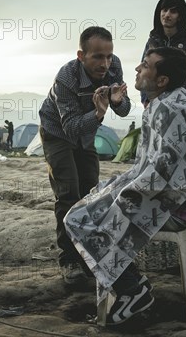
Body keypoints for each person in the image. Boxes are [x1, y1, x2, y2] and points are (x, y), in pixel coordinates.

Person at [65, 47, 186, 325]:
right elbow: (163, 165)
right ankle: (131, 283)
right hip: (168, 196)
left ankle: (132, 290)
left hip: (170, 204)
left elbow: (165, 173)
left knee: (77, 218)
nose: (137, 70)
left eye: (145, 65)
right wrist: (124, 184)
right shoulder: (174, 101)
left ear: (162, 80)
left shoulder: (168, 109)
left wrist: (125, 190)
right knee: (91, 205)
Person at [39, 26, 131, 286]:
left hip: (87, 135)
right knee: (68, 193)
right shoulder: (66, 78)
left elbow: (124, 109)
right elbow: (70, 127)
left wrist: (115, 101)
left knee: (91, 194)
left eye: (109, 56)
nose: (105, 64)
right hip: (57, 133)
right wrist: (99, 114)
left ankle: (88, 255)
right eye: (98, 57)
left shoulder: (114, 67)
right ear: (81, 56)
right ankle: (69, 260)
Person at [140, 0, 186, 107]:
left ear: (180, 16)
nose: (167, 15)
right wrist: (145, 100)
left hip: (183, 103)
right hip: (155, 102)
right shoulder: (152, 42)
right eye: (164, 10)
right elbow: (143, 71)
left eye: (173, 11)